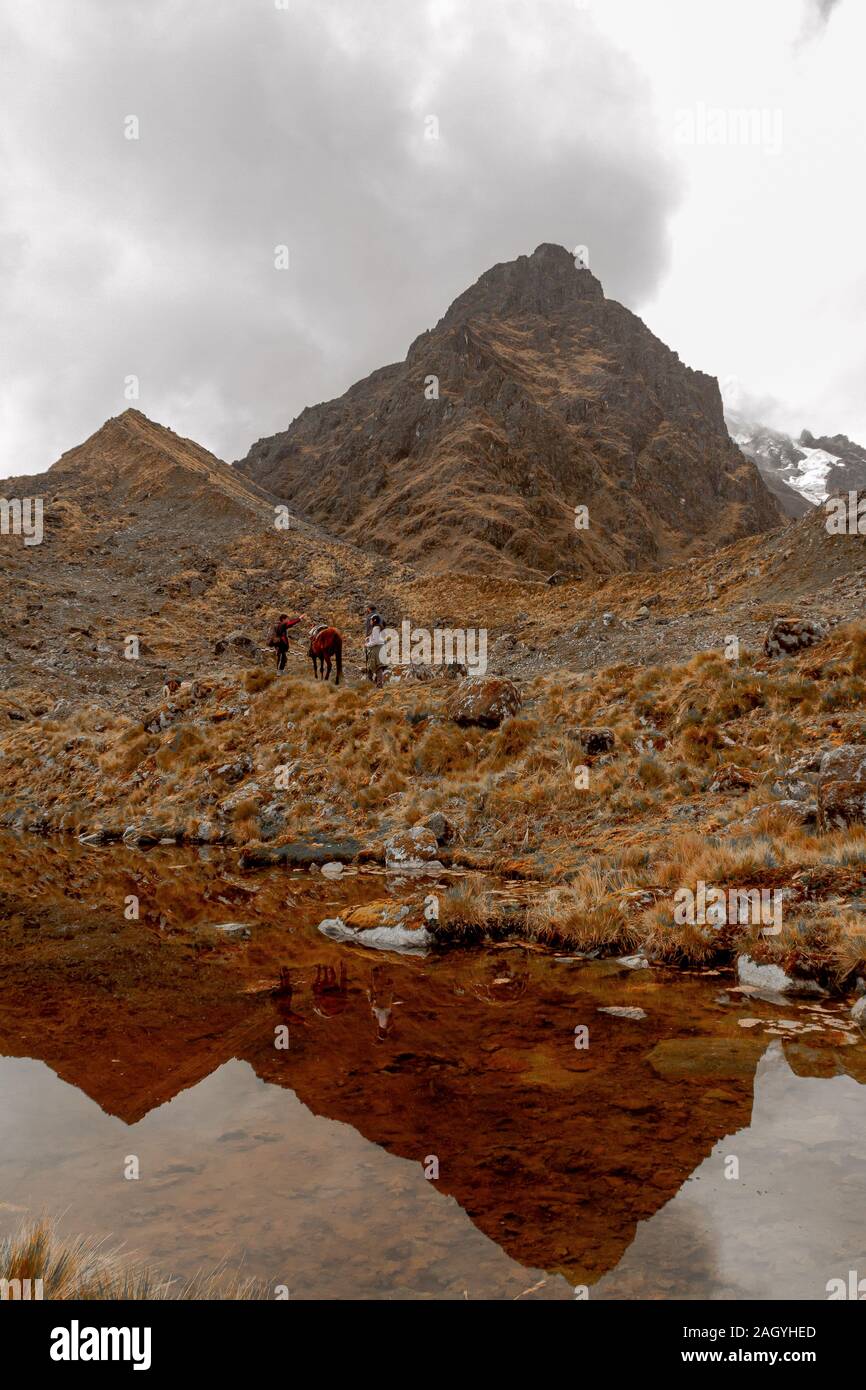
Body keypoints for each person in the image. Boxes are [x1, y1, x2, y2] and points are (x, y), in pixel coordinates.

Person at [365, 613, 386, 687]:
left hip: (377, 648)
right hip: (380, 647)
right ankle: (377, 683)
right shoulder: (379, 628)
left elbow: (376, 641)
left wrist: (367, 644)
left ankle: (376, 684)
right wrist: (369, 639)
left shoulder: (375, 628)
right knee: (378, 665)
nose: (370, 621)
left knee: (376, 665)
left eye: (371, 620)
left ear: (374, 620)